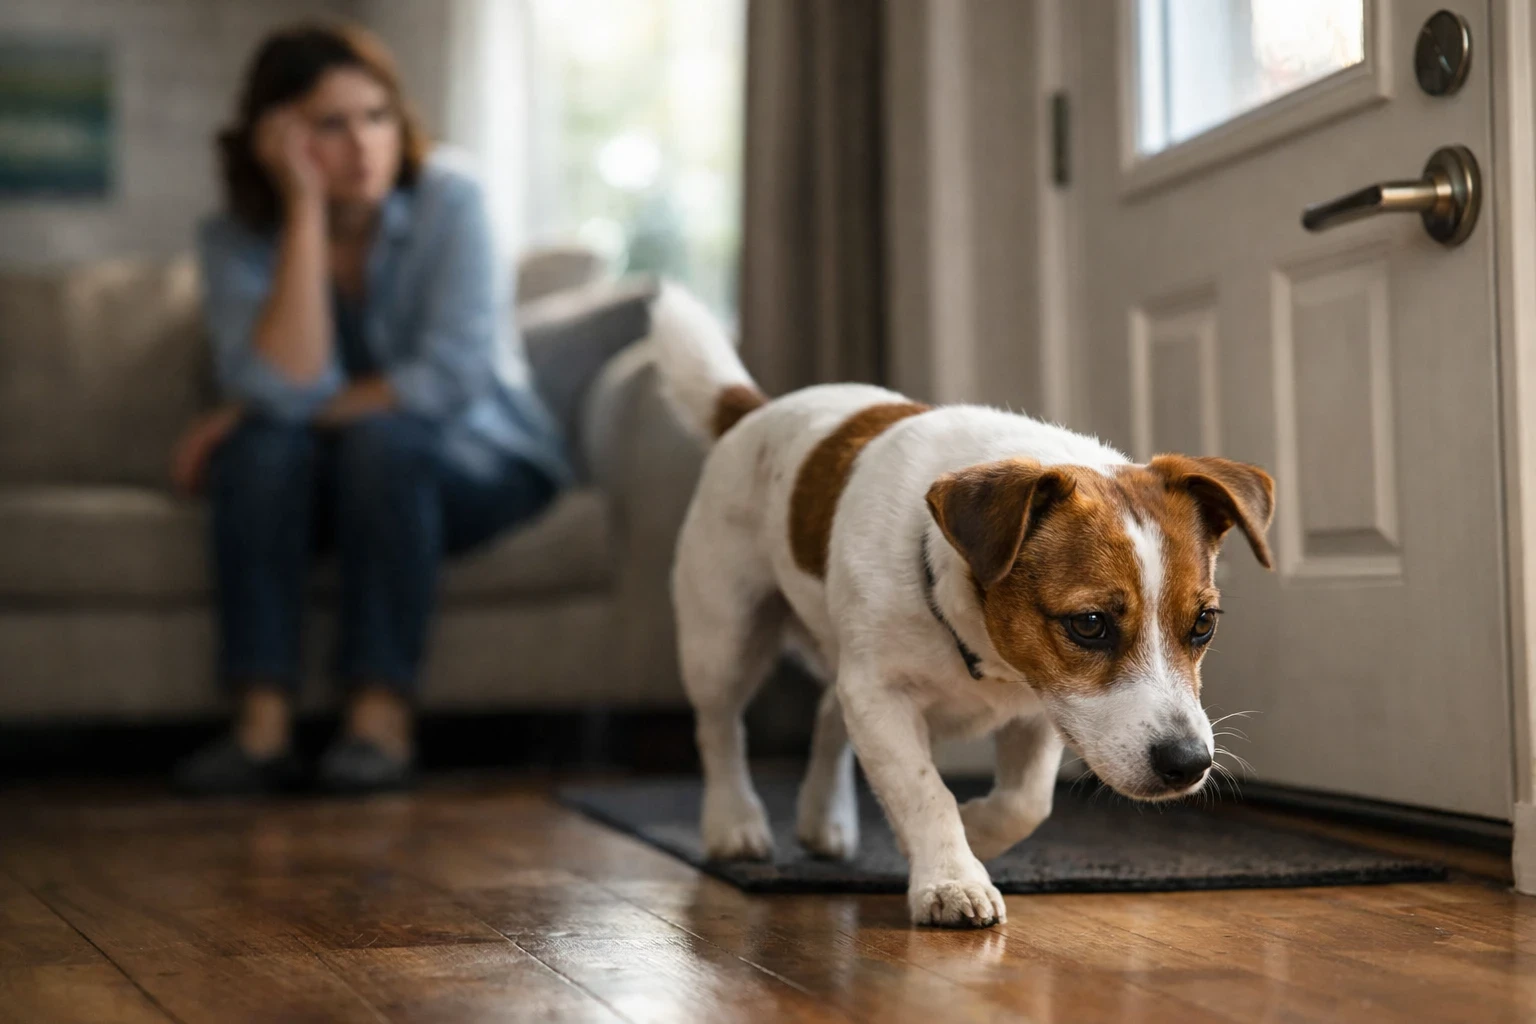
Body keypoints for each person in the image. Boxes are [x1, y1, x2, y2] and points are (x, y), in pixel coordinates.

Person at [172, 22, 568, 795]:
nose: (364, 145)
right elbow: (284, 390)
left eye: (377, 116)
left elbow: (449, 376)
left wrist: (254, 413)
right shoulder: (235, 239)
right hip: (339, 473)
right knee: (261, 452)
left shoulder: (453, 198)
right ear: (275, 137)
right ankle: (261, 728)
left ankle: (379, 720)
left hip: (477, 458)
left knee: (372, 443)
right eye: (331, 124)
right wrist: (304, 213)